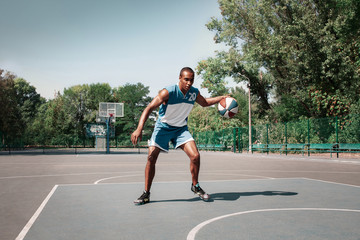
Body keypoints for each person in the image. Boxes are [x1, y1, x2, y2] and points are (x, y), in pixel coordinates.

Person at [131, 67, 228, 205]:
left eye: (192, 80)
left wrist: (222, 98)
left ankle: (195, 186)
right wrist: (139, 129)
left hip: (180, 129)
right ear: (180, 78)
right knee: (151, 158)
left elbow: (205, 102)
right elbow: (148, 108)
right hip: (163, 128)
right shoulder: (168, 92)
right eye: (186, 79)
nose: (189, 83)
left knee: (195, 156)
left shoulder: (194, 93)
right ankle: (146, 193)